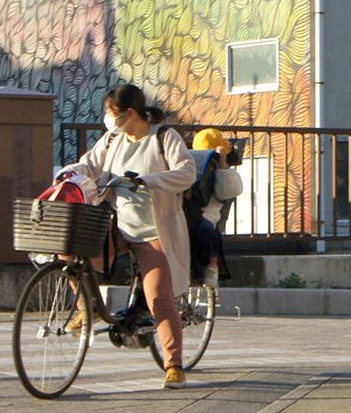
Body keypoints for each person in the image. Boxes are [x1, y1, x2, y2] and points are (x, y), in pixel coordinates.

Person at [60, 83, 196, 388]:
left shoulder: (163, 137)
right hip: (118, 226)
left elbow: (187, 172)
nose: (109, 119)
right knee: (69, 252)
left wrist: (149, 180)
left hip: (153, 233)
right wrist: (70, 171)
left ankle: (174, 365)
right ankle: (89, 308)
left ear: (130, 113)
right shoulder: (113, 139)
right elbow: (90, 164)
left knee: (159, 298)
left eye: (112, 113)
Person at [190, 127, 245, 285]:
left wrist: (222, 165)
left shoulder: (222, 172)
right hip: (182, 213)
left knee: (205, 230)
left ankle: (211, 264)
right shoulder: (189, 167)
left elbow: (229, 191)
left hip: (206, 216)